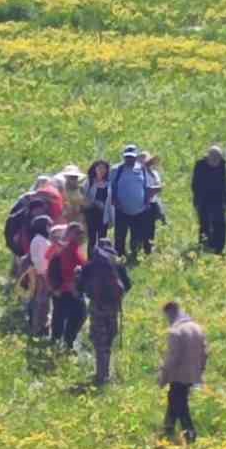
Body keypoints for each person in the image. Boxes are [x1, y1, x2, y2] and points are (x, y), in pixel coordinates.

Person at [78, 238, 131, 385]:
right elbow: (128, 285)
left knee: (99, 339)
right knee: (109, 337)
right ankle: (107, 371)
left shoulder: (90, 266)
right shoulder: (117, 265)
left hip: (96, 306)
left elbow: (80, 287)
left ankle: (101, 375)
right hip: (113, 306)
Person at [158, 301, 208, 443]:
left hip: (178, 374)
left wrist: (163, 376)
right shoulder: (197, 328)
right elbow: (205, 353)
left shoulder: (176, 332)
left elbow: (173, 358)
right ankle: (168, 428)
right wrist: (200, 370)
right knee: (174, 398)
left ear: (170, 313)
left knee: (180, 403)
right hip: (193, 373)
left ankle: (190, 433)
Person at [46, 223, 87, 350]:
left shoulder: (74, 248)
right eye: (77, 233)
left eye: (81, 233)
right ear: (69, 234)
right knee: (76, 315)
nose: (80, 236)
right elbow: (64, 270)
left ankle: (60, 342)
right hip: (66, 291)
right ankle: (63, 343)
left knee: (63, 316)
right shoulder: (66, 249)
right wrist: (71, 287)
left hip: (65, 289)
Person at [110, 145, 153, 260]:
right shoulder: (116, 170)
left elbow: (147, 186)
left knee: (137, 235)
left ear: (136, 157)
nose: (129, 159)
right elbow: (111, 187)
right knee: (120, 236)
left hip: (139, 210)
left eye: (132, 157)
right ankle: (119, 257)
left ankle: (134, 256)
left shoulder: (142, 169)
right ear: (124, 157)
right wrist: (115, 201)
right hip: (121, 210)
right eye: (127, 157)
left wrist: (147, 201)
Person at [192, 146, 226, 253]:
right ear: (208, 156)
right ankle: (204, 246)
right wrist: (197, 200)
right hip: (203, 198)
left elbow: (224, 182)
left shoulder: (222, 164)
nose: (215, 160)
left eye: (218, 157)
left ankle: (219, 248)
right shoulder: (200, 165)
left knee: (220, 223)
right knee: (204, 223)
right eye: (213, 157)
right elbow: (195, 184)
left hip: (218, 198)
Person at [26, 215, 54, 336]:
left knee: (40, 302)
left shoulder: (38, 240)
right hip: (42, 275)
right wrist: (46, 277)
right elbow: (42, 261)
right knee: (41, 302)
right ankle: (38, 329)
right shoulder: (41, 241)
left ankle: (39, 327)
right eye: (48, 225)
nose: (50, 228)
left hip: (40, 273)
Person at [135, 153, 166, 256]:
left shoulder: (154, 173)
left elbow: (158, 186)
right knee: (139, 227)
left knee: (150, 227)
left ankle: (148, 249)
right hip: (139, 203)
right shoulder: (138, 173)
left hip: (152, 202)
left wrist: (154, 189)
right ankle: (137, 248)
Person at [83, 160, 113, 247]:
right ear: (95, 169)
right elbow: (83, 196)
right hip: (91, 214)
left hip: (104, 214)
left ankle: (101, 258)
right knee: (92, 238)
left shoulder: (109, 183)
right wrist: (95, 203)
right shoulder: (89, 181)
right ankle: (90, 258)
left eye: (104, 168)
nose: (102, 170)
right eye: (99, 168)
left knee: (102, 238)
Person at [58, 164, 87, 230]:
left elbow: (85, 203)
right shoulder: (61, 189)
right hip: (66, 219)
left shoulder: (81, 189)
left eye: (75, 177)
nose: (74, 179)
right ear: (66, 177)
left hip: (79, 219)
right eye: (71, 177)